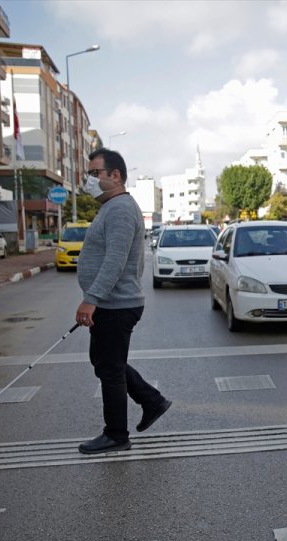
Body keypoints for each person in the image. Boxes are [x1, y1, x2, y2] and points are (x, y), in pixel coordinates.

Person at [75, 148, 172, 455]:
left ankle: (117, 434)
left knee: (110, 369)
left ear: (115, 176)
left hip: (116, 304)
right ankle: (152, 400)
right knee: (106, 363)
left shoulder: (119, 209)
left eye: (95, 174)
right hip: (111, 303)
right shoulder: (111, 207)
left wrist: (91, 299)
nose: (89, 180)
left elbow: (115, 261)